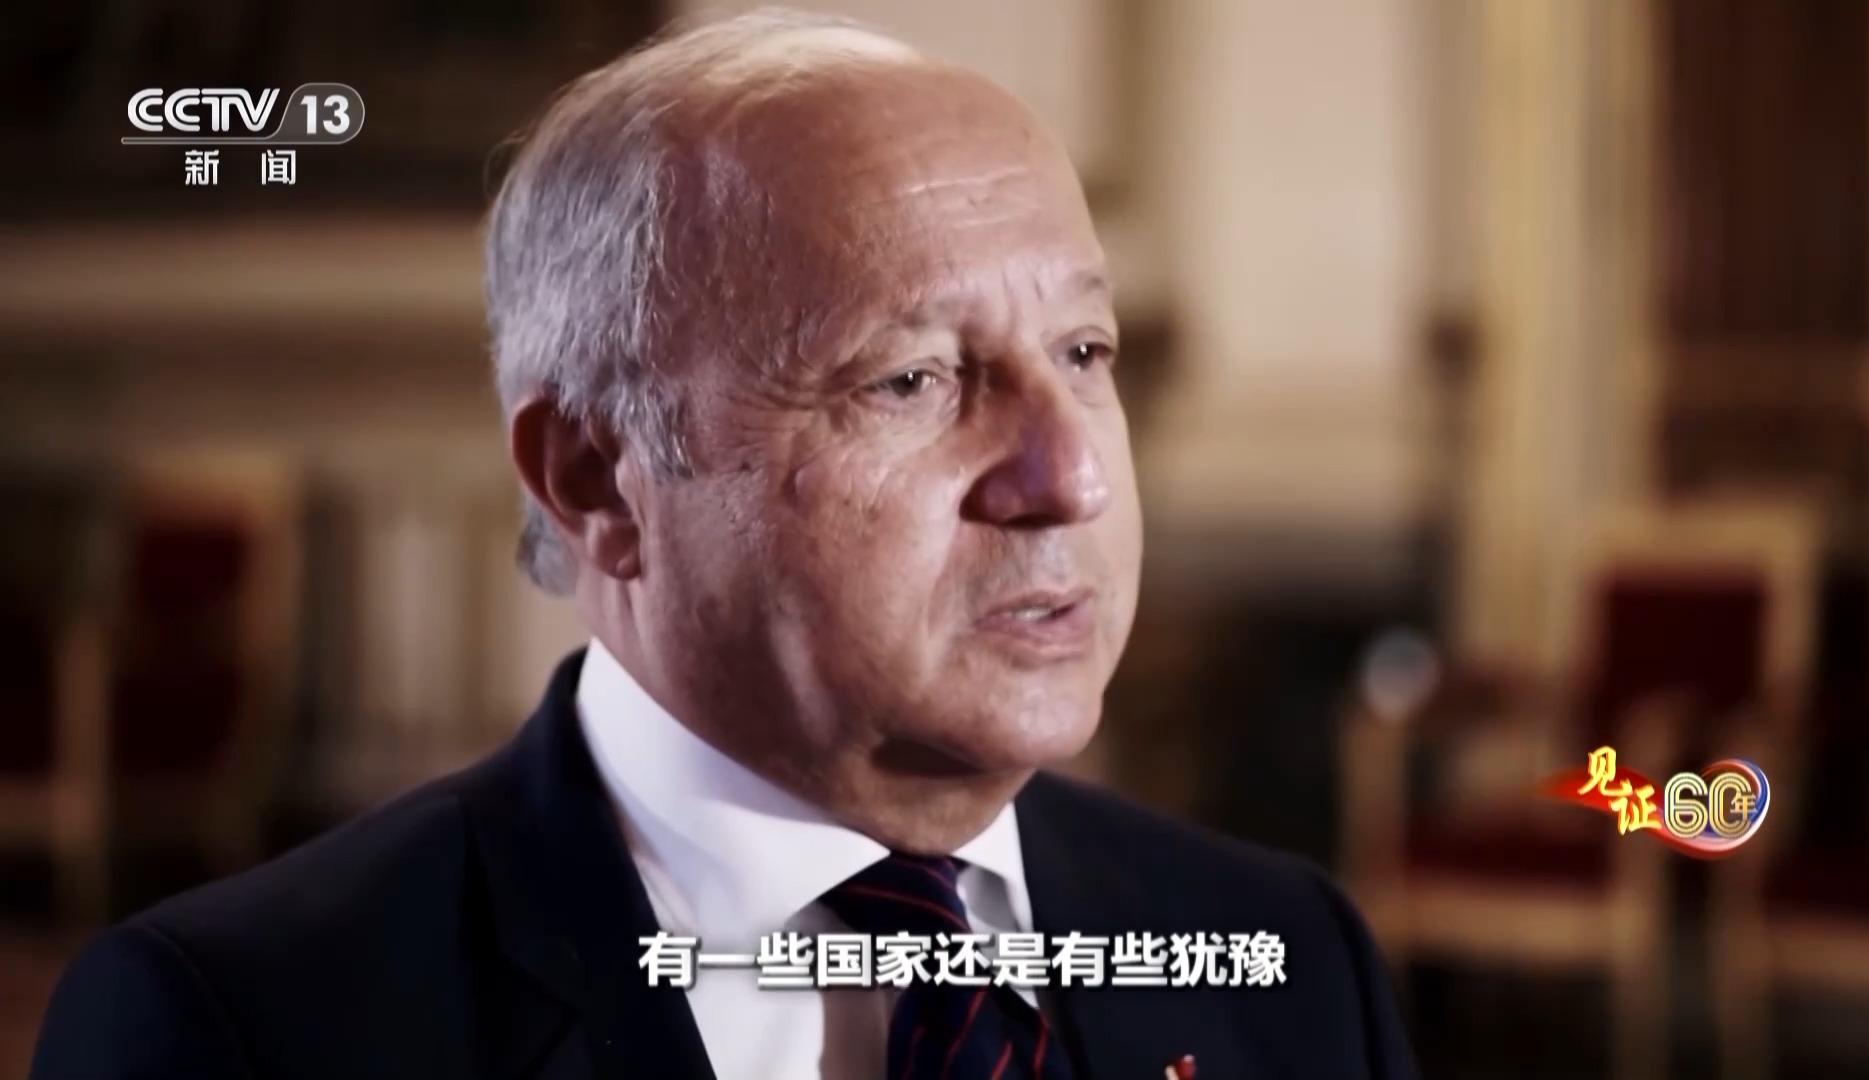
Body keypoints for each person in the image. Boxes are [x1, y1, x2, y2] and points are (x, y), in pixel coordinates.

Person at [31, 10, 1417, 1080]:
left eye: (1084, 352)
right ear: (597, 478)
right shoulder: (242, 1028)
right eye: (912, 380)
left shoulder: (1294, 966)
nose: (1072, 479)